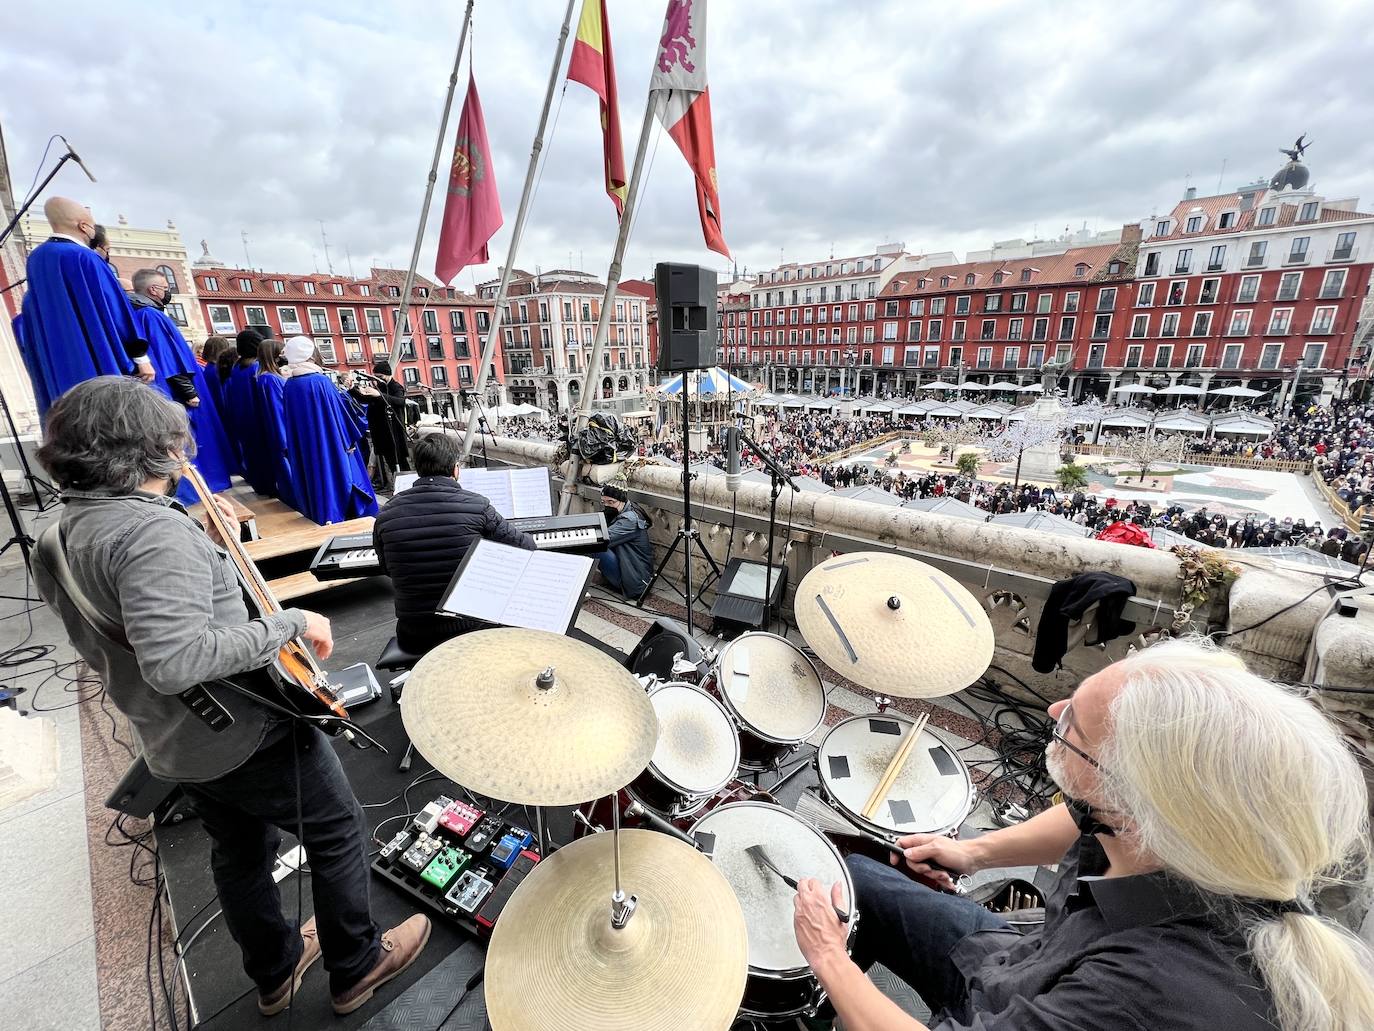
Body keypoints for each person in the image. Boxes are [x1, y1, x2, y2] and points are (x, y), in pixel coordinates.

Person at [30, 377, 430, 1016]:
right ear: (154, 446)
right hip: (241, 730)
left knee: (241, 850)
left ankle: (274, 971)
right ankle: (356, 965)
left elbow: (121, 639)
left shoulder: (60, 531)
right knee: (336, 830)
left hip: (171, 736)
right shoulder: (152, 535)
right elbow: (175, 660)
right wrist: (291, 624)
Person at [792, 638, 1374, 1031]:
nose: (1053, 709)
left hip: (1029, 999)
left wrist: (830, 959)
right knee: (861, 879)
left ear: (1130, 799)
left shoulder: (1144, 992)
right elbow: (1081, 813)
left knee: (837, 917)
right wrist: (970, 852)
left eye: (1073, 727)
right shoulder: (1181, 834)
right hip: (1021, 961)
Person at [373, 432, 536, 654]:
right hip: (471, 628)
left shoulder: (386, 514)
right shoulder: (477, 505)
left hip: (415, 633)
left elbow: (387, 569)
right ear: (455, 469)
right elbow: (526, 546)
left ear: (418, 468)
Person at [12, 196, 153, 415]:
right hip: (97, 363)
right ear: (84, 226)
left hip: (59, 368)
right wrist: (141, 358)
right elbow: (114, 309)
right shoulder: (84, 257)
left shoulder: (37, 259)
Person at [128, 268, 235, 497]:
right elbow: (170, 359)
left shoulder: (141, 314)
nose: (168, 293)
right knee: (192, 443)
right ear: (153, 290)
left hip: (170, 392)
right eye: (166, 288)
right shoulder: (151, 315)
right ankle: (201, 489)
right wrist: (189, 392)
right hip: (180, 395)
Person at [279, 336, 379, 525]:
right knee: (339, 481)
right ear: (310, 355)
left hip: (308, 447)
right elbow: (340, 413)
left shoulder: (290, 385)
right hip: (331, 445)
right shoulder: (319, 381)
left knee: (317, 481)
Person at [223, 328, 278, 496]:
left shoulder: (236, 368)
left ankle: (261, 487)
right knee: (268, 460)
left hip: (242, 420)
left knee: (253, 457)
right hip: (259, 421)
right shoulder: (257, 369)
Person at [255, 339, 300, 510]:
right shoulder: (271, 380)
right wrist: (286, 441)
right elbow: (278, 411)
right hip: (284, 438)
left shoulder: (265, 378)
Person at [592, 482, 653, 599]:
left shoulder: (629, 520)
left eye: (611, 502)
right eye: (604, 502)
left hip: (635, 581)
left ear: (622, 500)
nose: (607, 505)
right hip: (631, 570)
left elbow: (604, 538)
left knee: (593, 546)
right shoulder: (626, 508)